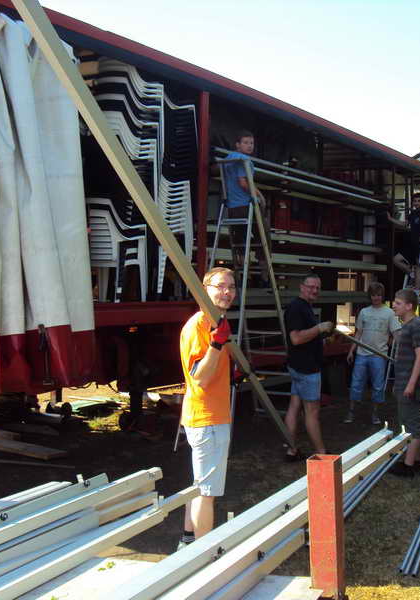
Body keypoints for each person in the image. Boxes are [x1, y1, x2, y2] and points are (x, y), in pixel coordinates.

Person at [177, 267, 236, 548]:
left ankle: (188, 539)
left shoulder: (213, 320)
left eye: (231, 287)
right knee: (207, 492)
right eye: (220, 286)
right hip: (207, 418)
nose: (227, 292)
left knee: (199, 484)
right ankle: (204, 555)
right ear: (204, 289)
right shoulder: (200, 325)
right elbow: (199, 376)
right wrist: (216, 344)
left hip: (208, 416)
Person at [283, 273, 334, 461]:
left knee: (294, 406)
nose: (314, 290)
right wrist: (319, 328)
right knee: (312, 412)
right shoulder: (297, 308)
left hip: (298, 366)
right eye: (311, 286)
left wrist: (321, 337)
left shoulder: (304, 307)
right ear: (302, 287)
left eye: (317, 288)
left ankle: (291, 450)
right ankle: (322, 454)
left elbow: (306, 335)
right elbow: (296, 338)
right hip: (306, 369)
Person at [344, 282, 400, 425]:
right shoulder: (364, 312)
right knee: (356, 383)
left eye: (379, 295)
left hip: (379, 355)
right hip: (362, 354)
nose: (376, 298)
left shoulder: (390, 313)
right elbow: (358, 333)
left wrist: (394, 343)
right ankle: (351, 412)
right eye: (374, 295)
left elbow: (396, 333)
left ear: (382, 296)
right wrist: (352, 351)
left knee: (378, 385)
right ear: (370, 296)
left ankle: (375, 414)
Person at [388, 288, 420, 477]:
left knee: (412, 424)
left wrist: (411, 384)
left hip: (409, 384)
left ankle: (409, 466)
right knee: (407, 421)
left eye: (397, 303)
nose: (393, 306)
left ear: (409, 306)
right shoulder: (406, 326)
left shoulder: (417, 326)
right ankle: (414, 459)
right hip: (403, 382)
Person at [222, 130, 270, 286]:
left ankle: (243, 277)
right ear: (237, 145)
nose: (250, 146)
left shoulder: (227, 159)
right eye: (246, 142)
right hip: (246, 207)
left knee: (240, 242)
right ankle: (264, 277)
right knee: (263, 237)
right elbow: (243, 183)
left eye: (251, 143)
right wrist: (260, 195)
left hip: (232, 208)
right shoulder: (245, 160)